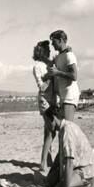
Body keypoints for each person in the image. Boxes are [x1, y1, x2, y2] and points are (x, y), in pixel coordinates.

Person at [42, 108, 94, 187]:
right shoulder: (63, 127)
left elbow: (69, 162)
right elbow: (60, 156)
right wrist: (51, 175)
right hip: (76, 166)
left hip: (84, 169)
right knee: (51, 182)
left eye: (47, 122)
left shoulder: (67, 131)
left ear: (53, 118)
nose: (46, 126)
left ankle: (92, 185)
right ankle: (69, 185)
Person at [32, 40, 57, 172]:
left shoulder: (48, 63)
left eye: (49, 49)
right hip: (45, 100)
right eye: (46, 50)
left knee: (48, 131)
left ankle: (48, 160)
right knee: (51, 129)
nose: (48, 51)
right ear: (40, 52)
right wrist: (49, 75)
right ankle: (43, 162)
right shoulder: (37, 66)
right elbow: (42, 87)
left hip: (52, 99)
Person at [47, 30, 80, 121]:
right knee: (61, 127)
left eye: (53, 42)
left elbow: (74, 76)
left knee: (68, 128)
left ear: (60, 40)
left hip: (70, 95)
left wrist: (57, 73)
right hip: (63, 96)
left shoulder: (69, 55)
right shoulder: (59, 56)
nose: (52, 44)